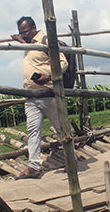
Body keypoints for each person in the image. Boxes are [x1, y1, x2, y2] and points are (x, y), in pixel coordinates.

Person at [11, 16, 68, 179]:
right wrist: (22, 42)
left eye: (25, 32)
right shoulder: (29, 45)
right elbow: (33, 56)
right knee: (33, 132)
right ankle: (34, 166)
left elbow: (63, 63)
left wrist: (48, 76)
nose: (23, 34)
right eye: (21, 32)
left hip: (48, 94)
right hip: (31, 97)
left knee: (61, 129)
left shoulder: (46, 41)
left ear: (34, 28)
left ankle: (71, 159)